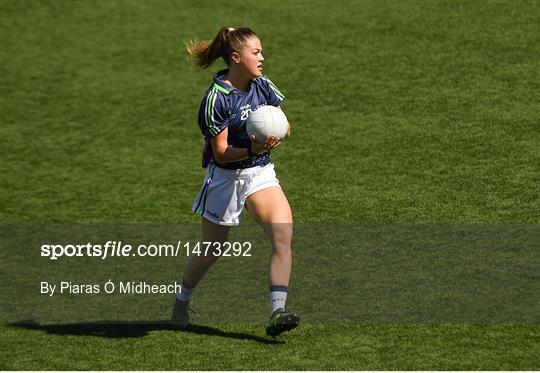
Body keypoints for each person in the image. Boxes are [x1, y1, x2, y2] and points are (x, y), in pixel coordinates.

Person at [171, 26, 300, 337]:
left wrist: (277, 134)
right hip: (226, 178)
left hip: (259, 172)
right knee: (213, 248)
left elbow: (285, 124)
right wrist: (252, 147)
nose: (262, 57)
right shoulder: (216, 99)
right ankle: (181, 300)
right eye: (256, 52)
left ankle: (276, 312)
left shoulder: (263, 86)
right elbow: (222, 153)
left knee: (283, 238)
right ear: (235, 57)